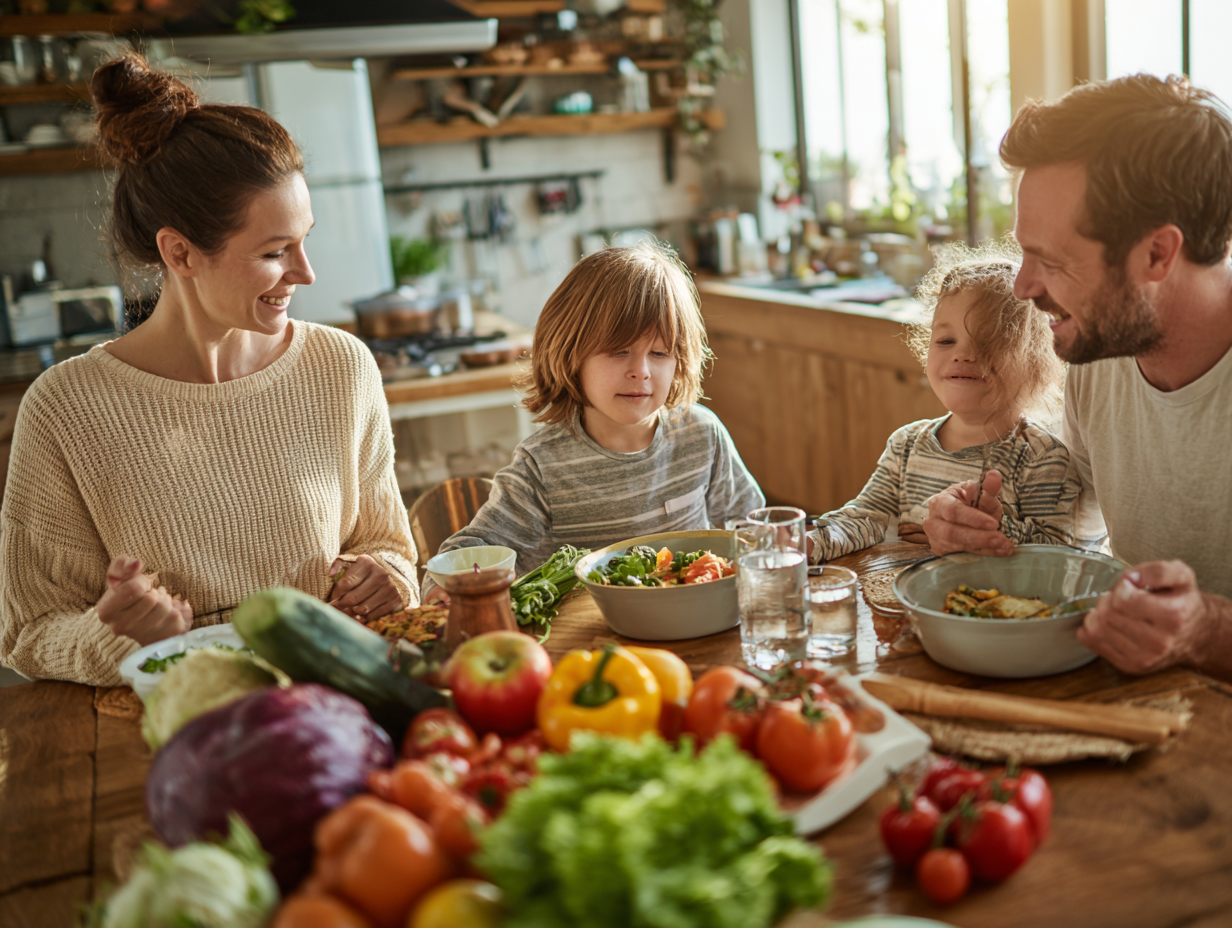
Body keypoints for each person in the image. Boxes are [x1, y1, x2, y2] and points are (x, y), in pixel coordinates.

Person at [0, 53, 417, 687]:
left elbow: (390, 547)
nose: (306, 273)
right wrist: (115, 633)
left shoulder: (342, 366)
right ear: (180, 252)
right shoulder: (67, 409)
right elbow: (28, 635)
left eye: (304, 239)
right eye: (276, 251)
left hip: (341, 703)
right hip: (175, 728)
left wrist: (385, 577)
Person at [922, 74, 1232, 680]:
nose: (1023, 287)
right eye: (1025, 252)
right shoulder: (1099, 349)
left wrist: (1209, 631)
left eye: (1055, 261)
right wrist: (980, 530)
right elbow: (1079, 530)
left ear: (1157, 254)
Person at [423, 243, 763, 602]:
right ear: (570, 354)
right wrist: (440, 592)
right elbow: (473, 549)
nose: (641, 372)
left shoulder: (701, 435)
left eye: (659, 353)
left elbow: (754, 532)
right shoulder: (542, 466)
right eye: (619, 351)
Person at [806, 240, 1081, 562]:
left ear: (1037, 362)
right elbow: (866, 518)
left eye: (988, 341)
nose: (962, 354)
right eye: (946, 340)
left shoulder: (1041, 458)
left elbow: (1060, 556)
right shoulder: (906, 445)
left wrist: (988, 531)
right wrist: (809, 543)